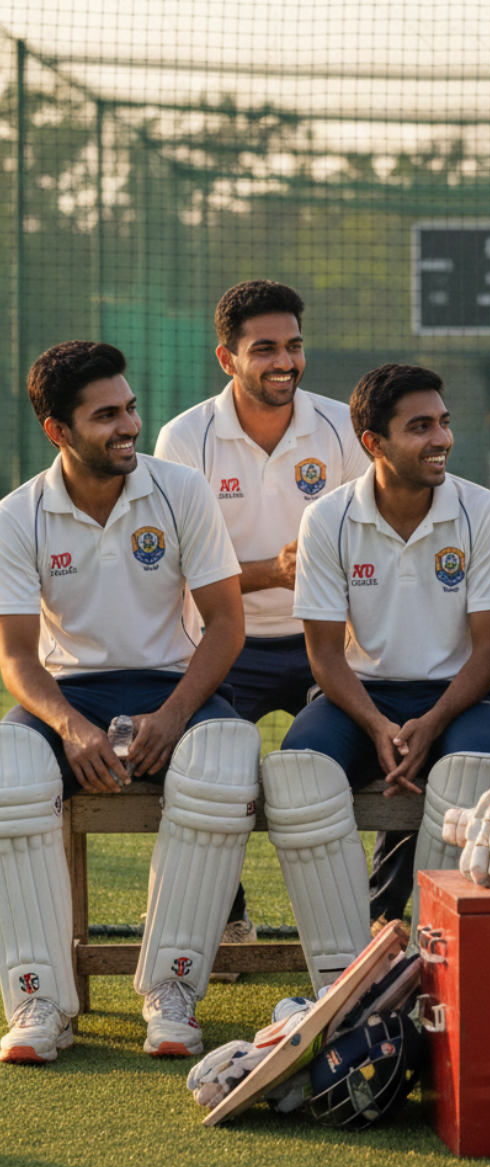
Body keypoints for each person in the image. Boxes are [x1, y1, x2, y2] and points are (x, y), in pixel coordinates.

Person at [0, 341, 257, 1063]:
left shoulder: (181, 490)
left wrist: (173, 715)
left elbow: (228, 625)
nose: (129, 427)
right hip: (68, 691)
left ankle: (171, 991)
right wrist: (70, 728)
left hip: (169, 682)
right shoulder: (18, 516)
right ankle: (38, 1001)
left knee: (226, 760)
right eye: (106, 415)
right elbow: (17, 655)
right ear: (58, 430)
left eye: (131, 408)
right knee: (8, 770)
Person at [259, 363, 490, 989]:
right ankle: (344, 975)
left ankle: (440, 972)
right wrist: (377, 725)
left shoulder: (483, 511)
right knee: (298, 774)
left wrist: (429, 725)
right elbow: (323, 654)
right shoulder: (327, 519)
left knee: (475, 770)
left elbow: (489, 654)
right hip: (357, 697)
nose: (441, 439)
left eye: (444, 422)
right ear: (373, 443)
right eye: (420, 427)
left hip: (460, 697)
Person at [154, 280, 369, 973]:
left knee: (404, 760)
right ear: (227, 357)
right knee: (202, 769)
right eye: (266, 349)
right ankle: (225, 917)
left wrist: (330, 566)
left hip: (332, 644)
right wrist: (271, 573)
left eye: (295, 346)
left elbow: (384, 539)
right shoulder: (185, 438)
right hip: (225, 642)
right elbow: (175, 570)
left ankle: (379, 925)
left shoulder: (342, 426)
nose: (285, 362)